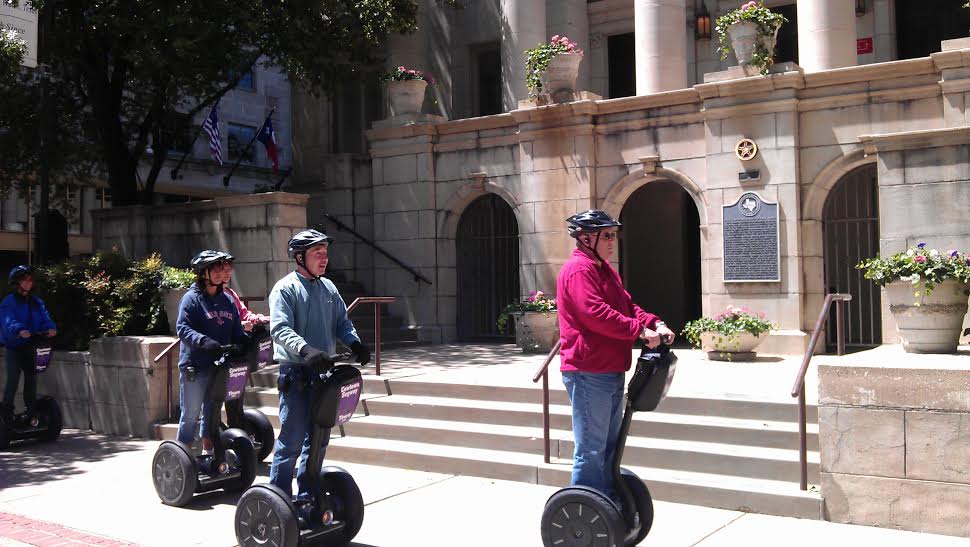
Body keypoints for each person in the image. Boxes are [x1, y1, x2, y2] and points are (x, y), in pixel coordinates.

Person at [556, 210, 675, 502]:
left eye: (614, 234)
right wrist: (639, 332)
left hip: (609, 369)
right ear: (586, 238)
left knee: (609, 445)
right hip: (588, 371)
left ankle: (606, 505)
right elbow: (594, 314)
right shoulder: (579, 270)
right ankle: (585, 512)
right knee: (591, 449)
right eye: (607, 235)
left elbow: (627, 306)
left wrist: (653, 323)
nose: (613, 240)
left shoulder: (603, 269)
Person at [269, 229, 370, 499]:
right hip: (296, 372)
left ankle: (308, 493)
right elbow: (279, 328)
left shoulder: (329, 287)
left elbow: (342, 323)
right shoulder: (285, 288)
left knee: (318, 437)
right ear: (300, 257)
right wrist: (305, 349)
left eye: (326, 253)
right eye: (318, 253)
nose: (324, 258)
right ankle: (278, 498)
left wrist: (355, 343)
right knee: (292, 438)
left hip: (323, 372)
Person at [175, 250, 248, 453]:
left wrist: (246, 343)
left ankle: (209, 455)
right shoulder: (191, 299)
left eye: (222, 268)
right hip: (195, 367)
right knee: (190, 414)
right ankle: (183, 457)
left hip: (218, 367)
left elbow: (236, 331)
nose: (220, 272)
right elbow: (183, 328)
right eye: (215, 268)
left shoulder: (227, 300)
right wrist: (203, 341)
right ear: (203, 272)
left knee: (212, 414)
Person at [0, 266, 57, 422]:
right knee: (13, 380)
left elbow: (45, 318)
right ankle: (6, 414)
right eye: (24, 280)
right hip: (14, 348)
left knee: (32, 380)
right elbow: (8, 321)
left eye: (30, 280)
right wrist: (19, 329)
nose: (28, 283)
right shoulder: (8, 302)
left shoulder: (36, 302)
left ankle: (31, 413)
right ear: (17, 282)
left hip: (31, 347)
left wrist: (51, 328)